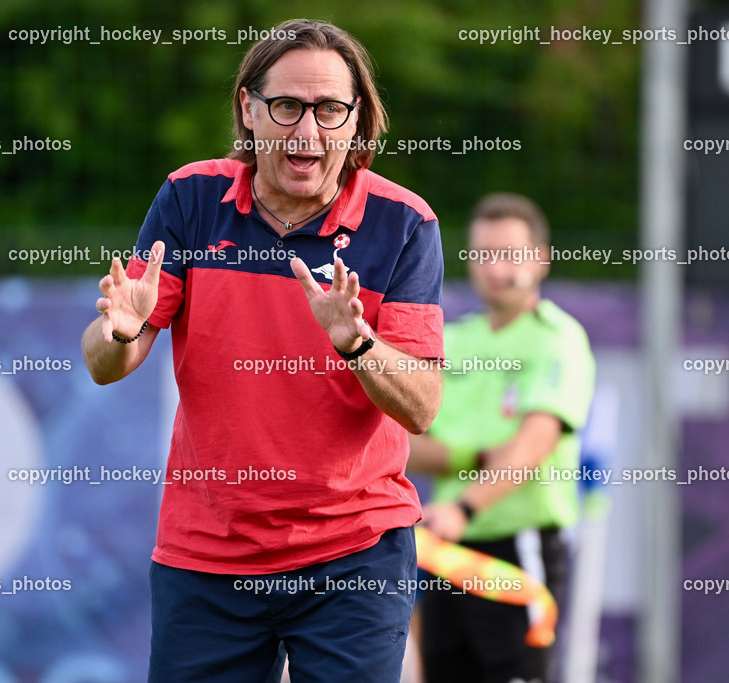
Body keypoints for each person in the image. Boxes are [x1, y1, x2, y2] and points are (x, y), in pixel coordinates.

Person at [81, 19, 445, 682]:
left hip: (353, 553)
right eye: (287, 107)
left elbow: (421, 407)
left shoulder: (404, 223)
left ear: (356, 118)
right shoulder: (190, 197)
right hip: (208, 554)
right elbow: (107, 362)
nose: (308, 132)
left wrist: (357, 342)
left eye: (330, 109)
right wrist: (123, 329)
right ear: (249, 110)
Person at [407, 192, 595, 683]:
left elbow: (534, 444)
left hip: (519, 543)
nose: (495, 267)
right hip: (447, 550)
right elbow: (403, 442)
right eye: (483, 253)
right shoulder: (452, 339)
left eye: (510, 254)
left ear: (541, 259)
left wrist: (465, 504)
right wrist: (473, 455)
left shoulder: (558, 338)